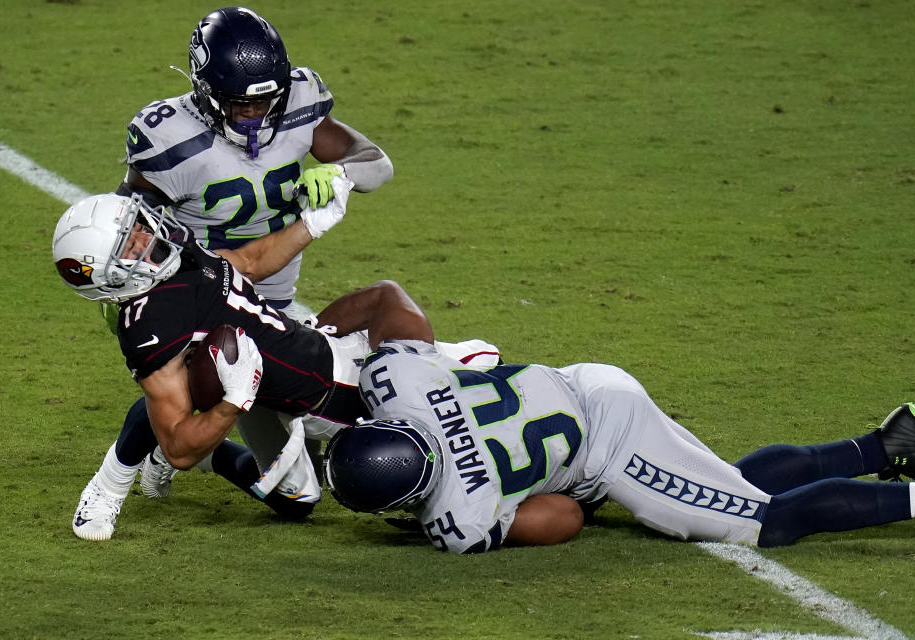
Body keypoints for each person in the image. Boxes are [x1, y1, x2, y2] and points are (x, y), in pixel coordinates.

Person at [85, 5, 398, 537]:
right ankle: (110, 482)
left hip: (271, 300)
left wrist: (339, 174)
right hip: (200, 295)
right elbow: (125, 224)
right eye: (239, 104)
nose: (255, 115)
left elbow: (377, 163)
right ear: (205, 93)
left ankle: (197, 456)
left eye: (266, 102)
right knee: (184, 390)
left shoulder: (298, 103)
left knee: (299, 498)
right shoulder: (170, 139)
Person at [53, 192, 499, 540]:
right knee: (300, 497)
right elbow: (179, 447)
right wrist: (234, 401)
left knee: (484, 365)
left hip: (304, 363)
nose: (148, 236)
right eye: (129, 244)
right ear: (111, 277)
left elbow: (245, 264)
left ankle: (216, 452)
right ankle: (110, 484)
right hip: (255, 392)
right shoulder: (148, 325)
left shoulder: (178, 248)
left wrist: (312, 225)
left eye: (137, 224)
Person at [324, 305, 915, 552]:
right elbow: (387, 298)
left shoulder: (458, 517)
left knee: (769, 523)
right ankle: (887, 445)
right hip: (587, 381)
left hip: (611, 447)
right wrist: (312, 336)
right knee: (734, 486)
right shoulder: (396, 381)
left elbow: (566, 518)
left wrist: (500, 497)